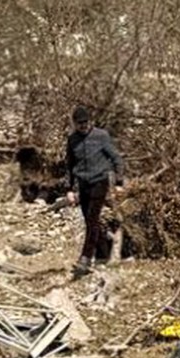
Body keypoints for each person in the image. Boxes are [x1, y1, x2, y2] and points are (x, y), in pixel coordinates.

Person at [64, 105, 123, 275]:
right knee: (90, 221)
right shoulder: (72, 140)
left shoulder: (101, 136)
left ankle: (85, 258)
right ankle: (102, 254)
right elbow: (69, 166)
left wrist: (119, 182)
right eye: (80, 123)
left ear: (90, 121)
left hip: (100, 181)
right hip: (83, 184)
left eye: (86, 122)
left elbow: (116, 158)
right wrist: (69, 189)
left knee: (92, 219)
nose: (83, 126)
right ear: (74, 124)